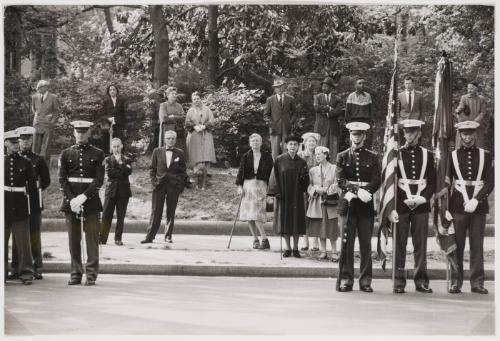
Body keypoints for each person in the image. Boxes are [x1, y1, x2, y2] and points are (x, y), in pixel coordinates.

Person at [387, 119, 435, 294]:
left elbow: (432, 181)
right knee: (399, 244)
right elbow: (391, 183)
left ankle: (421, 280)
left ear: (419, 133)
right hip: (401, 205)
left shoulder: (428, 155)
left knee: (420, 245)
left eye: (413, 132)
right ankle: (398, 281)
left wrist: (423, 198)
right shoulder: (395, 154)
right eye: (406, 132)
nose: (409, 135)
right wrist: (392, 206)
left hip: (421, 205)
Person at [447, 121, 494, 294]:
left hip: (478, 206)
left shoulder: (485, 155)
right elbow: (447, 183)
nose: (468, 137)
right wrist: (445, 207)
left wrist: (477, 199)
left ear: (475, 135)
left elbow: (490, 182)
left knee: (477, 246)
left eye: (470, 134)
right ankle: (455, 282)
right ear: (460, 136)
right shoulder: (452, 156)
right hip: (458, 206)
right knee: (456, 246)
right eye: (464, 134)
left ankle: (477, 282)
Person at [58, 120, 105, 286]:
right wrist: (72, 200)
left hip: (90, 202)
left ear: (89, 133)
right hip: (71, 203)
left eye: (84, 132)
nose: (80, 134)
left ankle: (91, 274)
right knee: (73, 240)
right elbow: (62, 180)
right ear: (73, 133)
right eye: (78, 131)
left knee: (92, 239)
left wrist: (83, 197)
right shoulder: (65, 154)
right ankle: (75, 273)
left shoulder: (98, 153)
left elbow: (99, 179)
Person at [336, 122, 381, 292]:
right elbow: (340, 180)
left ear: (364, 136)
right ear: (350, 135)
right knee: (346, 245)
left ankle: (365, 280)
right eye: (353, 134)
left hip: (365, 205)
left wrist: (364, 191)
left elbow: (377, 180)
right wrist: (355, 190)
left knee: (365, 245)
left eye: (359, 135)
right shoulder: (342, 156)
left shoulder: (373, 156)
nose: (356, 137)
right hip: (347, 204)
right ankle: (347, 279)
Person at [10, 126, 50, 280]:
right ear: (18, 141)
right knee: (17, 236)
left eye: (27, 139)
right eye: (22, 139)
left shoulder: (38, 160)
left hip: (33, 202)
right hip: (18, 203)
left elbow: (46, 181)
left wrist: (36, 188)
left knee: (34, 234)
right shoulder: (14, 159)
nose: (24, 142)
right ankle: (16, 266)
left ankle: (37, 266)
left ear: (32, 140)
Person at [141, 130, 189, 244]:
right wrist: (154, 182)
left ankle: (168, 236)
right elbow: (152, 169)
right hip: (159, 185)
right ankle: (150, 236)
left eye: (173, 138)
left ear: (175, 140)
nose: (171, 140)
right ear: (164, 139)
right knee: (156, 211)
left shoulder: (180, 153)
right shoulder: (157, 151)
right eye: (168, 138)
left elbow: (183, 171)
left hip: (173, 186)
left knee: (171, 211)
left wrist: (180, 185)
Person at [268, 135, 309, 258]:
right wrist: (276, 192)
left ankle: (296, 248)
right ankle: (287, 248)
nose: (293, 146)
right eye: (290, 144)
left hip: (297, 195)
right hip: (284, 195)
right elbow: (274, 177)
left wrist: (304, 179)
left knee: (296, 221)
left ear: (298, 146)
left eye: (295, 144)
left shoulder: (302, 162)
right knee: (285, 221)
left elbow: (306, 181)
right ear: (286, 146)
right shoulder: (279, 160)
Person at [4, 130, 37, 285]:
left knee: (23, 242)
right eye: (12, 142)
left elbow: (32, 188)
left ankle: (26, 273)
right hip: (3, 205)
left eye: (17, 142)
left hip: (20, 206)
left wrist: (34, 209)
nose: (16, 145)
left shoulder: (26, 163)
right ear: (5, 143)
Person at [235, 133, 274, 249]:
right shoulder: (246, 156)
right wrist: (239, 186)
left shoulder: (267, 156)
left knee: (257, 214)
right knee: (249, 215)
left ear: (261, 142)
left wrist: (270, 188)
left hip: (261, 185)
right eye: (253, 141)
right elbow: (240, 172)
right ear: (250, 143)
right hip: (248, 185)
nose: (255, 143)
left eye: (257, 141)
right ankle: (255, 239)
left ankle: (265, 239)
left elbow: (272, 174)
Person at [306, 146, 340, 260]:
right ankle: (323, 251)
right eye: (315, 154)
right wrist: (314, 190)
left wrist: (325, 190)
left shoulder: (334, 168)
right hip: (317, 203)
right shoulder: (313, 170)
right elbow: (309, 185)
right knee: (320, 226)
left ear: (326, 155)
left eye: (319, 154)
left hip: (330, 202)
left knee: (332, 226)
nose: (317, 156)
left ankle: (334, 252)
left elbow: (337, 184)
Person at [99, 138, 132, 246]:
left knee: (120, 216)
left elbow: (128, 172)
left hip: (123, 192)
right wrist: (121, 171)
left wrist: (120, 163)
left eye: (118, 146)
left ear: (122, 146)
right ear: (111, 147)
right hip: (111, 191)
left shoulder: (127, 159)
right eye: (114, 146)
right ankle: (102, 238)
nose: (116, 149)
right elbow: (109, 173)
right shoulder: (108, 159)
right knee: (106, 215)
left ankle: (118, 238)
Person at [185, 91, 216, 190]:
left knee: (206, 152)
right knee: (195, 152)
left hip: (205, 134)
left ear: (200, 99)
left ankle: (206, 174)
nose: (196, 100)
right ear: (192, 100)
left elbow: (211, 120)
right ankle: (196, 173)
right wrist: (194, 126)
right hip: (195, 134)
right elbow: (187, 122)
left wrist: (205, 126)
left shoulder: (207, 109)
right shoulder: (190, 110)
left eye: (198, 98)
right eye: (194, 99)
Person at [264, 79, 297, 160]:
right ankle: (275, 169)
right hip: (274, 128)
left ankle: (286, 168)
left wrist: (290, 122)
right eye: (277, 87)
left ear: (284, 87)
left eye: (280, 87)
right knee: (275, 151)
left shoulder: (290, 99)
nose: (279, 89)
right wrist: (271, 124)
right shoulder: (270, 100)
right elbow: (266, 115)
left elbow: (295, 113)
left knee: (286, 149)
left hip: (286, 127)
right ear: (274, 89)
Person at [298, 132, 320, 251]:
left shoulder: (319, 154)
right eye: (309, 141)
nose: (311, 143)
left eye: (313, 141)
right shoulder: (300, 155)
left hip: (317, 189)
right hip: (304, 190)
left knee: (316, 214)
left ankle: (316, 241)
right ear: (305, 143)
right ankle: (305, 240)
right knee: (304, 214)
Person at [313, 76, 344, 159]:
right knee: (320, 151)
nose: (324, 88)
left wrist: (328, 114)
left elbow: (339, 111)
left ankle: (333, 170)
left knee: (334, 151)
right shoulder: (318, 97)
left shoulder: (337, 99)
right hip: (321, 128)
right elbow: (316, 108)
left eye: (326, 86)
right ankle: (320, 170)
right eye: (323, 86)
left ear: (331, 88)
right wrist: (329, 108)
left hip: (333, 128)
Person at [31, 79, 60, 161]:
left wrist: (52, 121)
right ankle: (34, 166)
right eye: (37, 87)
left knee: (46, 148)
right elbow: (33, 108)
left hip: (48, 125)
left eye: (40, 87)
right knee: (35, 147)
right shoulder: (34, 97)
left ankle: (45, 167)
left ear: (46, 87)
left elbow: (57, 111)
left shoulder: (54, 97)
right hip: (37, 124)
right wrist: (37, 115)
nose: (38, 89)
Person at [454, 82, 488, 148]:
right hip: (465, 123)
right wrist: (458, 110)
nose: (469, 90)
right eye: (468, 88)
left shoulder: (481, 99)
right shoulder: (464, 97)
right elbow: (461, 107)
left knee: (478, 142)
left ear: (476, 89)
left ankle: (478, 156)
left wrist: (476, 121)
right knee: (462, 139)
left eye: (471, 88)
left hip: (477, 124)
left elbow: (483, 112)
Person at [345, 79, 373, 147]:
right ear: (355, 85)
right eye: (359, 83)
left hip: (365, 122)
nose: (362, 85)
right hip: (354, 122)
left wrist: (370, 123)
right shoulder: (351, 96)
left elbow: (370, 111)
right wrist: (348, 124)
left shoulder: (368, 96)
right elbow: (347, 112)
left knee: (365, 141)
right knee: (354, 141)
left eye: (363, 83)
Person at [100, 84, 126, 153]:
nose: (112, 91)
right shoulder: (105, 102)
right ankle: (108, 159)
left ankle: (120, 158)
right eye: (110, 90)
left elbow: (123, 114)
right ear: (108, 92)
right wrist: (108, 119)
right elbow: (102, 115)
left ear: (117, 91)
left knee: (119, 141)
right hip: (108, 126)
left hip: (119, 125)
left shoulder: (121, 101)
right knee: (108, 142)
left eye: (114, 89)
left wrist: (124, 126)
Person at [159, 87, 186, 152]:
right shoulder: (163, 105)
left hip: (179, 132)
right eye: (172, 94)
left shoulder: (179, 106)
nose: (175, 95)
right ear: (167, 95)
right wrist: (178, 118)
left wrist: (173, 117)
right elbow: (164, 118)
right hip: (167, 131)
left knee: (178, 152)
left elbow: (184, 118)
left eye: (175, 94)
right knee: (167, 152)